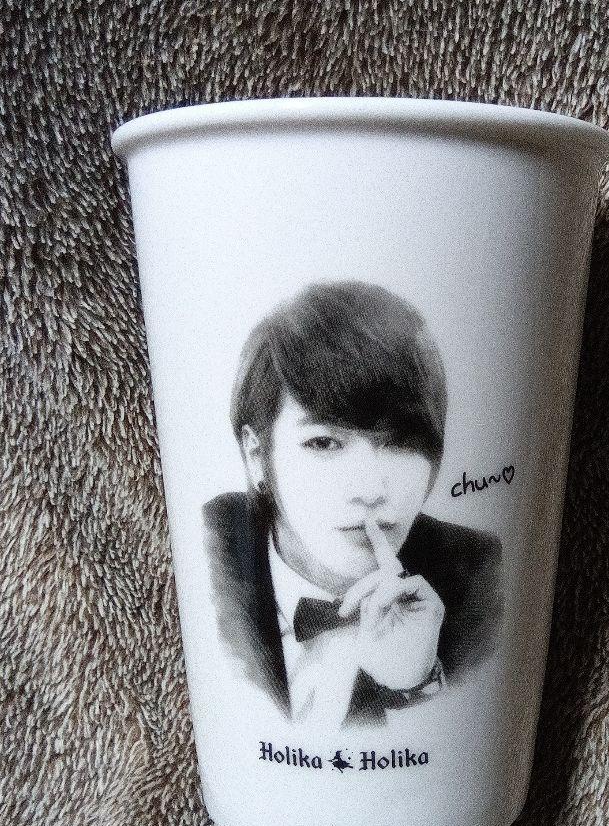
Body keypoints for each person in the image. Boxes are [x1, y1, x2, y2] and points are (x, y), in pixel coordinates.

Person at [202, 281, 502, 730]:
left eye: (400, 442)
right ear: (256, 455)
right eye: (324, 442)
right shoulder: (207, 553)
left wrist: (415, 684)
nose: (369, 489)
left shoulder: (480, 578)